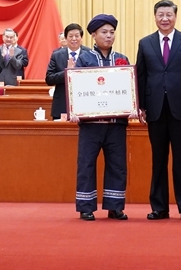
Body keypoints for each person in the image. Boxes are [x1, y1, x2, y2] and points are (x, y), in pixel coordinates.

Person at [136, 0, 181, 222]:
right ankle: (159, 208)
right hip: (155, 108)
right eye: (161, 15)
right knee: (158, 159)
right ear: (154, 17)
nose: (164, 19)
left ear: (175, 17)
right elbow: (141, 76)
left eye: (169, 15)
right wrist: (140, 105)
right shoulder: (145, 43)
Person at [73, 14, 131, 221]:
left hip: (116, 124)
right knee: (86, 164)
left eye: (112, 32)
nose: (109, 36)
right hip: (91, 125)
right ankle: (86, 207)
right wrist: (75, 110)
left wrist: (133, 105)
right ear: (94, 35)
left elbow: (129, 88)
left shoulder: (122, 59)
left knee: (117, 164)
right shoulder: (84, 59)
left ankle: (115, 206)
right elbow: (76, 88)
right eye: (104, 32)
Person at [46, 23, 91, 120]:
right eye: (70, 36)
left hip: (85, 103)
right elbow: (49, 79)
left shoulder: (89, 54)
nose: (74, 39)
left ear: (81, 38)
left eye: (77, 36)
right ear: (66, 38)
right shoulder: (56, 55)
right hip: (62, 104)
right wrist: (67, 72)